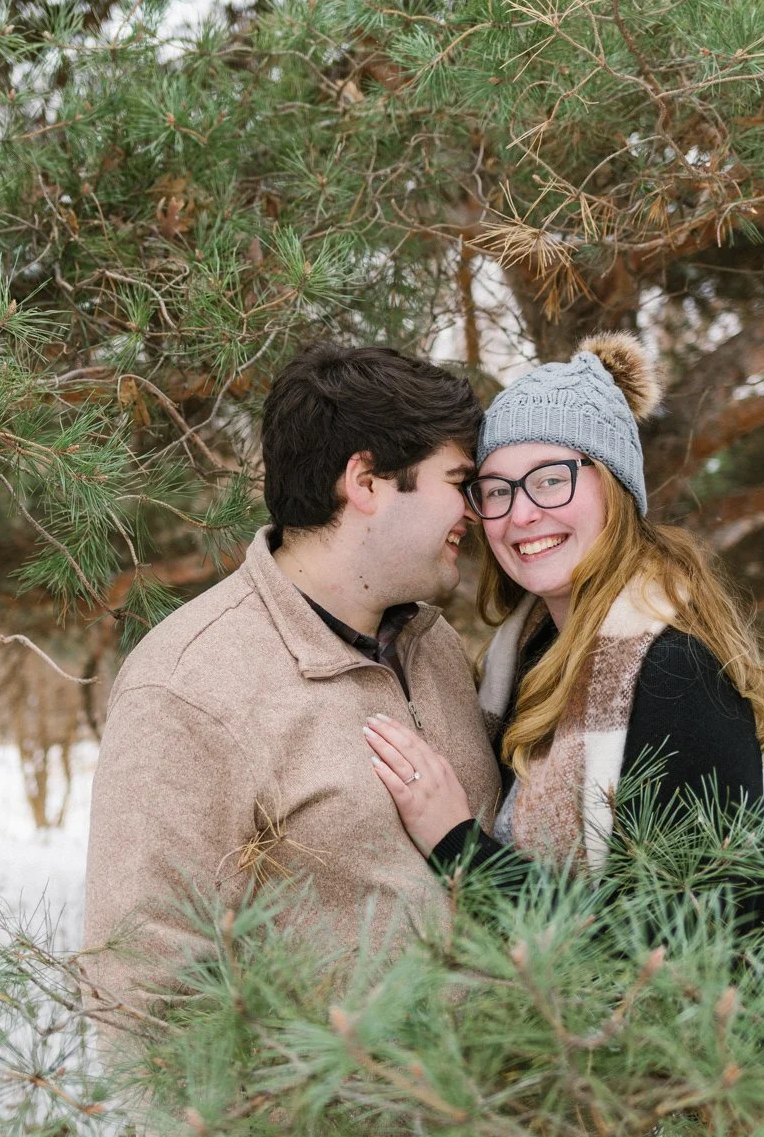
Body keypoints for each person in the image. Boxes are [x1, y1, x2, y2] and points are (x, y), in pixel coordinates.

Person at [81, 343, 503, 1028]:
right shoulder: (188, 686)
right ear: (366, 482)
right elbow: (143, 988)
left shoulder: (435, 646)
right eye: (458, 482)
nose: (475, 512)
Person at [363, 333, 764, 945]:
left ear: (614, 485)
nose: (521, 514)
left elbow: (684, 950)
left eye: (550, 479)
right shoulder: (528, 659)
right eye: (497, 490)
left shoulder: (675, 674)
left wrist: (458, 846)